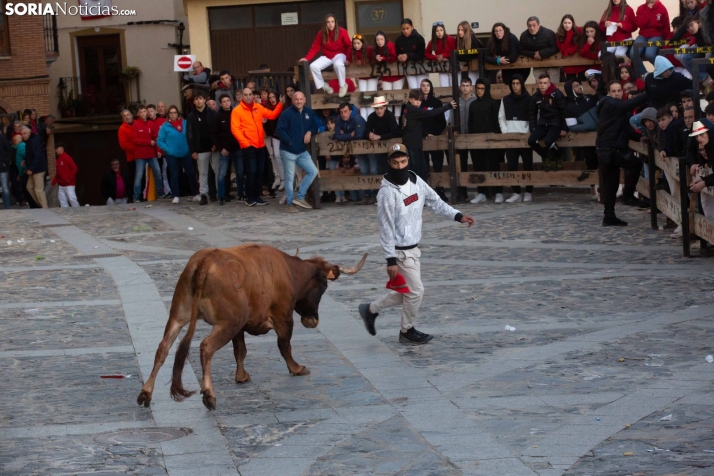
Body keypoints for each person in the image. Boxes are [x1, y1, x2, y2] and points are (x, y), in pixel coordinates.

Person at [357, 143, 475, 345]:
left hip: (414, 249)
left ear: (408, 161)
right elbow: (385, 228)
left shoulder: (415, 180)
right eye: (395, 163)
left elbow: (435, 201)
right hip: (400, 252)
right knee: (416, 292)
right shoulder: (387, 193)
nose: (400, 166)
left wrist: (458, 216)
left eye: (403, 161)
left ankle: (371, 309)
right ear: (389, 163)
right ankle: (407, 330)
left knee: (409, 293)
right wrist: (390, 259)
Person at [596, 80, 649, 226]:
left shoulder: (618, 109)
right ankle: (627, 195)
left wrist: (640, 137)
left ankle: (609, 216)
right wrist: (648, 91)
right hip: (610, 149)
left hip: (610, 149)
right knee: (635, 163)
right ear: (608, 93)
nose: (617, 93)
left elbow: (627, 130)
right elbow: (629, 104)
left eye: (619, 91)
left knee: (611, 184)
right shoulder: (609, 104)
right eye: (614, 91)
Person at [231, 87, 284, 207]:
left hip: (260, 144)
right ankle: (249, 197)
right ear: (242, 96)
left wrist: (280, 103)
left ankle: (257, 196)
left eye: (250, 94)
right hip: (248, 146)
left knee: (260, 172)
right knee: (251, 171)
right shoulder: (237, 110)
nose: (249, 96)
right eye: (246, 95)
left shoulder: (257, 107)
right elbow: (235, 129)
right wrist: (245, 143)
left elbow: (272, 115)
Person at [400, 90, 456, 182]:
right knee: (416, 172)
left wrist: (424, 133)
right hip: (412, 145)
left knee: (422, 170)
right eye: (416, 100)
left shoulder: (408, 109)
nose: (418, 102)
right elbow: (429, 113)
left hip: (414, 144)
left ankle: (421, 193)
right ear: (410, 99)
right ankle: (417, 194)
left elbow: (412, 126)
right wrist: (448, 107)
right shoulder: (411, 109)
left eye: (420, 100)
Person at [275, 91, 318, 210]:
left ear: (304, 100)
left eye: (301, 99)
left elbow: (315, 126)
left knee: (313, 171)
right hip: (288, 150)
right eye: (296, 99)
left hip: (302, 151)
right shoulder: (286, 113)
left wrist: (310, 132)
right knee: (289, 178)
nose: (299, 101)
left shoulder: (309, 112)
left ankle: (299, 197)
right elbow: (279, 130)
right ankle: (290, 204)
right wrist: (290, 142)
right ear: (292, 100)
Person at [499, 74, 533, 203]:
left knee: (527, 165)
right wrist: (505, 131)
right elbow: (501, 117)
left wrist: (528, 132)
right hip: (510, 137)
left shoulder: (529, 99)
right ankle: (516, 191)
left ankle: (529, 191)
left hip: (526, 137)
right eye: (513, 83)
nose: (515, 86)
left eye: (518, 83)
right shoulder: (506, 100)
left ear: (522, 84)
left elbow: (533, 117)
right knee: (511, 165)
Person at [468, 78, 503, 204]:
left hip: (491, 141)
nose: (479, 91)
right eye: (477, 88)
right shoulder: (473, 104)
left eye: (482, 88)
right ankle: (481, 192)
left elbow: (496, 123)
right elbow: (470, 124)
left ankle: (497, 192)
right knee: (479, 166)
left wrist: (496, 139)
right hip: (476, 141)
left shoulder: (493, 103)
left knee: (494, 165)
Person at [299, 14, 351, 97]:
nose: (330, 24)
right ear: (325, 23)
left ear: (335, 22)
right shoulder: (321, 33)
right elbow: (315, 48)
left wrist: (348, 59)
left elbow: (349, 45)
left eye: (332, 22)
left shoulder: (342, 31)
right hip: (327, 56)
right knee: (313, 66)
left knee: (338, 64)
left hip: (340, 54)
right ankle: (324, 85)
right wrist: (306, 58)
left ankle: (343, 85)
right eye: (328, 22)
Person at [157, 105, 198, 204]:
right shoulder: (165, 126)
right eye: (171, 113)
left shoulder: (185, 123)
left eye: (174, 112)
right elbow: (160, 140)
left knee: (191, 173)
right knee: (174, 175)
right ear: (168, 115)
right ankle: (176, 195)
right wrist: (167, 149)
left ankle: (196, 194)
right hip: (172, 155)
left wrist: (191, 148)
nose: (173, 114)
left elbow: (192, 135)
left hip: (186, 153)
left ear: (178, 113)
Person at [528, 74, 567, 171]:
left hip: (555, 124)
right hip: (542, 124)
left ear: (549, 83)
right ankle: (545, 156)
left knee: (548, 141)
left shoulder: (557, 94)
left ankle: (558, 156)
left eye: (545, 83)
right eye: (540, 83)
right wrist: (533, 128)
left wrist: (564, 128)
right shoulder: (536, 96)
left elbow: (564, 112)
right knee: (531, 141)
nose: (542, 85)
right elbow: (532, 114)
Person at [334, 102, 371, 203]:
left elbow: (359, 135)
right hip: (357, 149)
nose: (343, 114)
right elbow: (337, 135)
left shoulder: (357, 118)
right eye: (341, 112)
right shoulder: (339, 119)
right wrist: (350, 134)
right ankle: (367, 194)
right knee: (364, 170)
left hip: (368, 147)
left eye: (345, 111)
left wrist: (344, 135)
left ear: (350, 111)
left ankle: (375, 194)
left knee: (374, 169)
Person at [210, 96, 243, 206]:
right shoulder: (217, 116)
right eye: (224, 101)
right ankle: (221, 196)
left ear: (231, 102)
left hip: (237, 148)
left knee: (240, 172)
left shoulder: (236, 113)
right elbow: (213, 135)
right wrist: (220, 148)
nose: (226, 103)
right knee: (222, 173)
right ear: (220, 103)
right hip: (224, 150)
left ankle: (241, 194)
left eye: (228, 101)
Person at [420, 78, 449, 202]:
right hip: (423, 139)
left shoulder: (437, 102)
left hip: (436, 139)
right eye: (423, 85)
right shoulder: (418, 102)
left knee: (438, 165)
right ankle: (426, 193)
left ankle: (440, 190)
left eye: (428, 85)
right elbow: (417, 122)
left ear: (431, 87)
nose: (426, 87)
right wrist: (425, 134)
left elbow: (442, 121)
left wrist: (434, 134)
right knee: (424, 167)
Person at [186, 92, 217, 205]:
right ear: (194, 102)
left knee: (216, 171)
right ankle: (204, 194)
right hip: (200, 149)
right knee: (203, 173)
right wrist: (192, 150)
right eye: (196, 99)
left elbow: (216, 130)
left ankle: (216, 193)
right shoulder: (191, 116)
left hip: (213, 148)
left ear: (204, 100)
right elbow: (189, 134)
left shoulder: (212, 113)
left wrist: (216, 144)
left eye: (200, 98)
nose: (199, 101)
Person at [131, 105, 165, 203]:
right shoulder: (135, 125)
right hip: (140, 155)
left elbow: (156, 138)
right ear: (137, 114)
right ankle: (136, 196)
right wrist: (148, 142)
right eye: (140, 112)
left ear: (147, 113)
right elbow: (135, 140)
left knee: (158, 173)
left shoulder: (151, 124)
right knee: (139, 176)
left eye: (144, 111)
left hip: (151, 154)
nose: (143, 113)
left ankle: (160, 193)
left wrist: (158, 150)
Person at [452, 77, 476, 203]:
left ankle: (482, 191)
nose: (465, 87)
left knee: (477, 163)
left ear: (471, 87)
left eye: (467, 85)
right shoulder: (457, 102)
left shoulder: (476, 100)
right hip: (460, 138)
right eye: (463, 85)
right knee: (461, 165)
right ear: (460, 87)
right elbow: (451, 118)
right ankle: (463, 192)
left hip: (473, 137)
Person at [631, 0, 671, 76]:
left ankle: (664, 70)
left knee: (649, 54)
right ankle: (646, 74)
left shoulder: (662, 8)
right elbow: (640, 24)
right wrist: (648, 11)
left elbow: (666, 26)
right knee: (633, 53)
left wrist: (666, 43)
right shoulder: (641, 8)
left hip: (657, 35)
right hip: (642, 35)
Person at [365, 95, 401, 176]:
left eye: (381, 108)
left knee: (389, 168)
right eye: (377, 108)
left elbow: (396, 132)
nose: (379, 111)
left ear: (385, 107)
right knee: (375, 169)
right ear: (374, 109)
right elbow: (367, 131)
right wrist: (369, 135)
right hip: (377, 146)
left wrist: (380, 137)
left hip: (390, 146)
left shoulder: (390, 115)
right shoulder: (371, 116)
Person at [372, 31, 404, 119]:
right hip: (386, 77)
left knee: (397, 97)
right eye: (377, 40)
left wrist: (383, 58)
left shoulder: (390, 45)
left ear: (385, 39)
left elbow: (394, 57)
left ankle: (397, 118)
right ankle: (389, 117)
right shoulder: (376, 49)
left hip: (397, 76)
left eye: (381, 39)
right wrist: (376, 58)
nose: (379, 41)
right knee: (387, 98)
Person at [520, 16, 560, 83]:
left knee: (553, 85)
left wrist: (541, 53)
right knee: (540, 86)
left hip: (552, 64)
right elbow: (521, 50)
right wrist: (533, 54)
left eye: (534, 25)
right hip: (537, 65)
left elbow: (555, 48)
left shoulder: (549, 33)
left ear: (539, 25)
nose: (532, 28)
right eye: (529, 26)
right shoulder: (524, 36)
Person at [689, 120, 714, 218]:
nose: (699, 138)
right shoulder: (709, 146)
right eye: (696, 136)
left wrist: (704, 183)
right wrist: (703, 180)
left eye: (702, 134)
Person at [395, 19, 427, 89]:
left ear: (412, 27)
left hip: (421, 67)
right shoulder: (398, 40)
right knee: (413, 89)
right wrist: (400, 57)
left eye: (407, 28)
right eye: (403, 29)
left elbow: (421, 54)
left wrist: (408, 55)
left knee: (422, 89)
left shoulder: (419, 38)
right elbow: (397, 53)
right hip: (408, 68)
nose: (405, 31)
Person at [21, 126, 48, 208]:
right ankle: (40, 205)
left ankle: (45, 208)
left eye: (25, 133)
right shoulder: (29, 141)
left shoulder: (34, 141)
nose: (23, 135)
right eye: (22, 134)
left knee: (38, 190)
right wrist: (25, 160)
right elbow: (31, 154)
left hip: (38, 169)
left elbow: (38, 156)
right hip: (34, 169)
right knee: (29, 187)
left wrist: (31, 168)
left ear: (29, 132)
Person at [263, 90, 284, 196]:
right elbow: (267, 126)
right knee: (275, 155)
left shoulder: (282, 108)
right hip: (275, 136)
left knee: (283, 156)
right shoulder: (268, 110)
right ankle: (280, 177)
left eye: (273, 97)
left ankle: (288, 178)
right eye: (270, 97)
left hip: (284, 136)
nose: (272, 99)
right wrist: (264, 122)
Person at [425, 22, 456, 87]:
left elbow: (455, 52)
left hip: (453, 67)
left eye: (441, 30)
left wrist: (443, 55)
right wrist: (436, 58)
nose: (439, 32)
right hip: (442, 68)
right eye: (437, 31)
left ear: (444, 30)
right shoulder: (432, 42)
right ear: (434, 32)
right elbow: (426, 53)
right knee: (444, 89)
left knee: (455, 88)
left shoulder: (450, 39)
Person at [556, 14, 586, 81]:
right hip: (568, 65)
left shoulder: (579, 31)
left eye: (569, 23)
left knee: (583, 83)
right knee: (571, 83)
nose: (567, 25)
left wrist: (570, 50)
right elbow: (564, 50)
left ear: (572, 23)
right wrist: (569, 34)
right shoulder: (559, 34)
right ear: (562, 24)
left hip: (580, 62)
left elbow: (579, 46)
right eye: (565, 23)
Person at [51, 141, 79, 207]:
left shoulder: (67, 158)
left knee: (72, 199)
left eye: (57, 149)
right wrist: (53, 182)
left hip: (69, 184)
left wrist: (69, 178)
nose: (56, 151)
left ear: (61, 149)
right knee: (62, 200)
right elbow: (58, 173)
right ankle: (66, 214)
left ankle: (78, 211)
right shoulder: (57, 160)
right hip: (61, 185)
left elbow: (75, 168)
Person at [118, 109, 136, 188]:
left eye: (128, 115)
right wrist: (136, 149)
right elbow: (124, 145)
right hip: (132, 157)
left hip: (143, 155)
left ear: (131, 115)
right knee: (134, 176)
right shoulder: (122, 129)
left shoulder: (138, 124)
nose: (127, 117)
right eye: (124, 116)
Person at [0, 133, 11, 209]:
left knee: (5, 188)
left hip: (2, 167)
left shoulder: (3, 139)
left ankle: (7, 208)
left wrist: (5, 163)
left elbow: (10, 151)